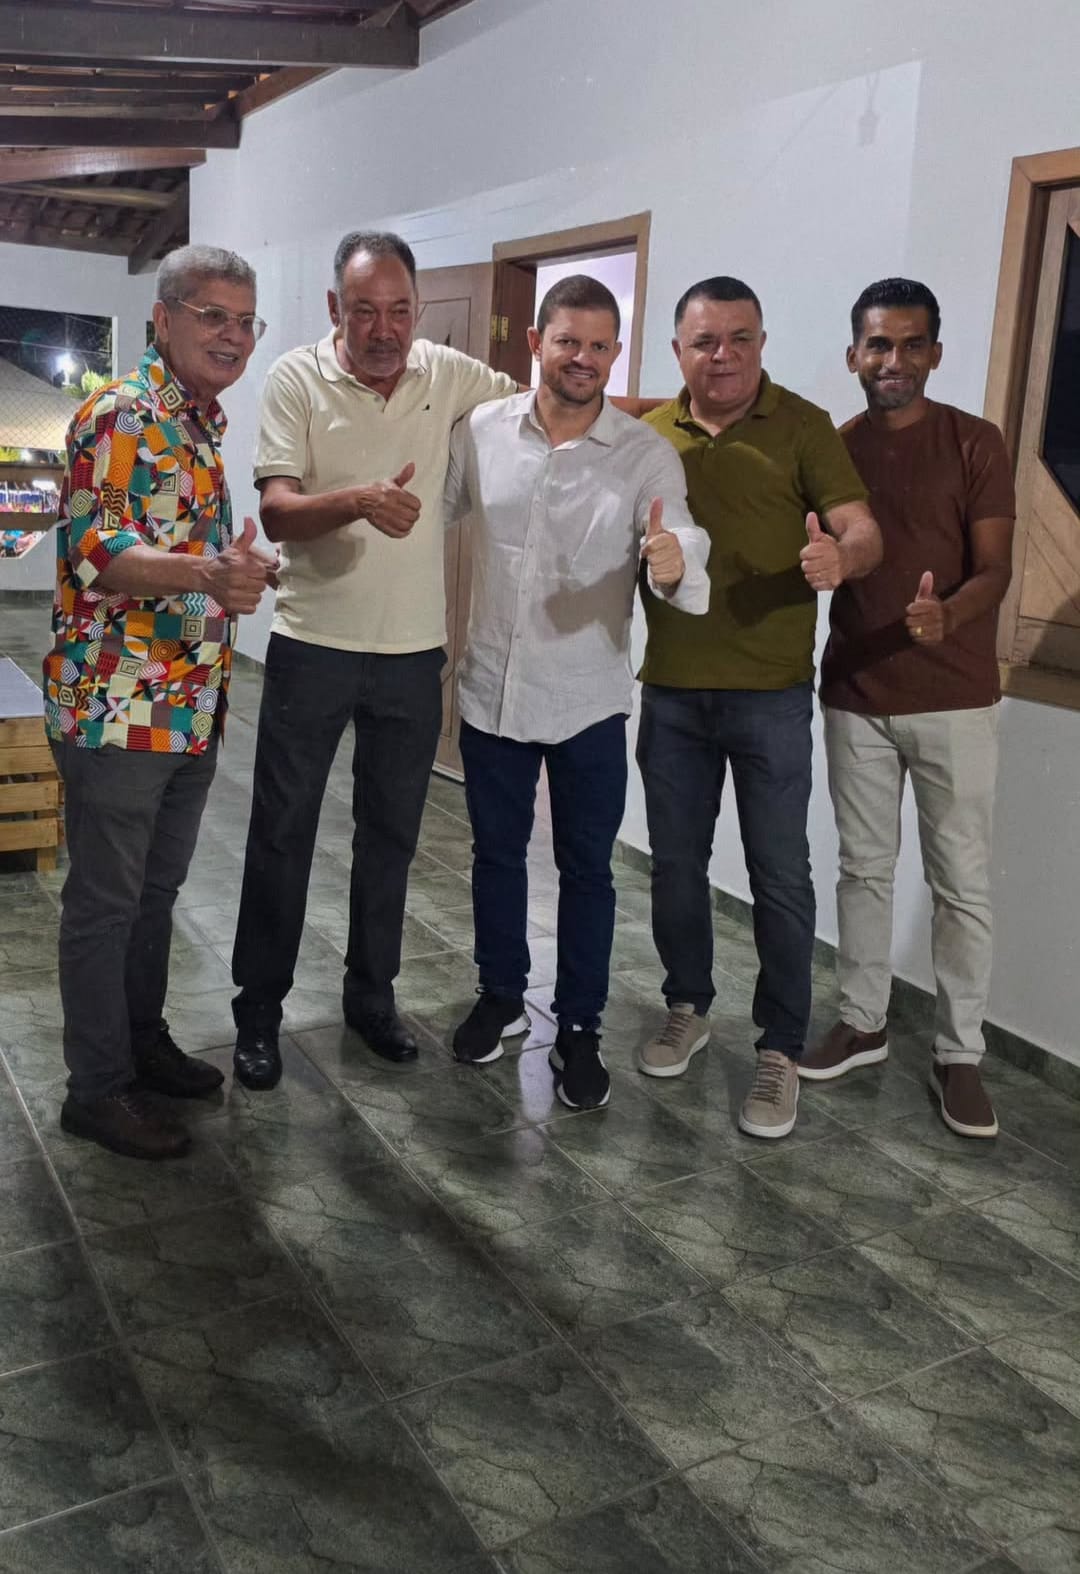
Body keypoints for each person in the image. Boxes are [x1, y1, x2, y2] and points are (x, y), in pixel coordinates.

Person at [230, 230, 518, 1089]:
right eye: (364, 311)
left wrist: (666, 416)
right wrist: (357, 500)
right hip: (312, 645)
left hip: (411, 654)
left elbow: (544, 409)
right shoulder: (296, 378)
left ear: (418, 309)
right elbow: (277, 511)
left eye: (398, 310)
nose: (384, 329)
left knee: (390, 837)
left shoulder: (448, 373)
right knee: (282, 833)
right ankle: (258, 1013)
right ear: (334, 308)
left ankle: (371, 997)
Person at [445, 275, 709, 1109]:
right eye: (568, 342)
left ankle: (580, 1026)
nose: (584, 359)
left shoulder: (642, 455)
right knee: (495, 855)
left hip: (588, 699)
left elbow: (678, 536)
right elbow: (424, 514)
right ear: (536, 343)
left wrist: (674, 561)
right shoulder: (482, 431)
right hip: (492, 687)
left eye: (600, 346)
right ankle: (499, 994)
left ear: (615, 354)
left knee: (587, 870)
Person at [637, 275, 882, 1139]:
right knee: (675, 866)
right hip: (671, 692)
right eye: (705, 341)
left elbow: (861, 528)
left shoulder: (805, 426)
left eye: (739, 338)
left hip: (771, 698)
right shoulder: (648, 435)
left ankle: (779, 1047)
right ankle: (687, 1006)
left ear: (762, 343)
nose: (724, 355)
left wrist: (842, 561)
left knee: (780, 875)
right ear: (678, 351)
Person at [43, 244, 272, 1160]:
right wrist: (206, 572)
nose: (233, 335)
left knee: (153, 895)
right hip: (118, 707)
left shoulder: (199, 423)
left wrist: (230, 570)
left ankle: (140, 1043)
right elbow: (98, 552)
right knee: (106, 905)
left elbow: (180, 552)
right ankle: (96, 1090)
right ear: (164, 318)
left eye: (245, 321)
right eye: (213, 315)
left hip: (187, 705)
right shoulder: (122, 415)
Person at [800, 278, 1015, 1139]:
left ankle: (960, 1054)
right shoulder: (834, 449)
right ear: (854, 354)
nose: (894, 359)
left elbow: (995, 569)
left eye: (911, 343)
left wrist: (947, 617)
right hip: (855, 693)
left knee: (960, 883)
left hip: (954, 699)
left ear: (935, 352)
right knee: (862, 868)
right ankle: (863, 1022)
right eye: (878, 344)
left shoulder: (975, 442)